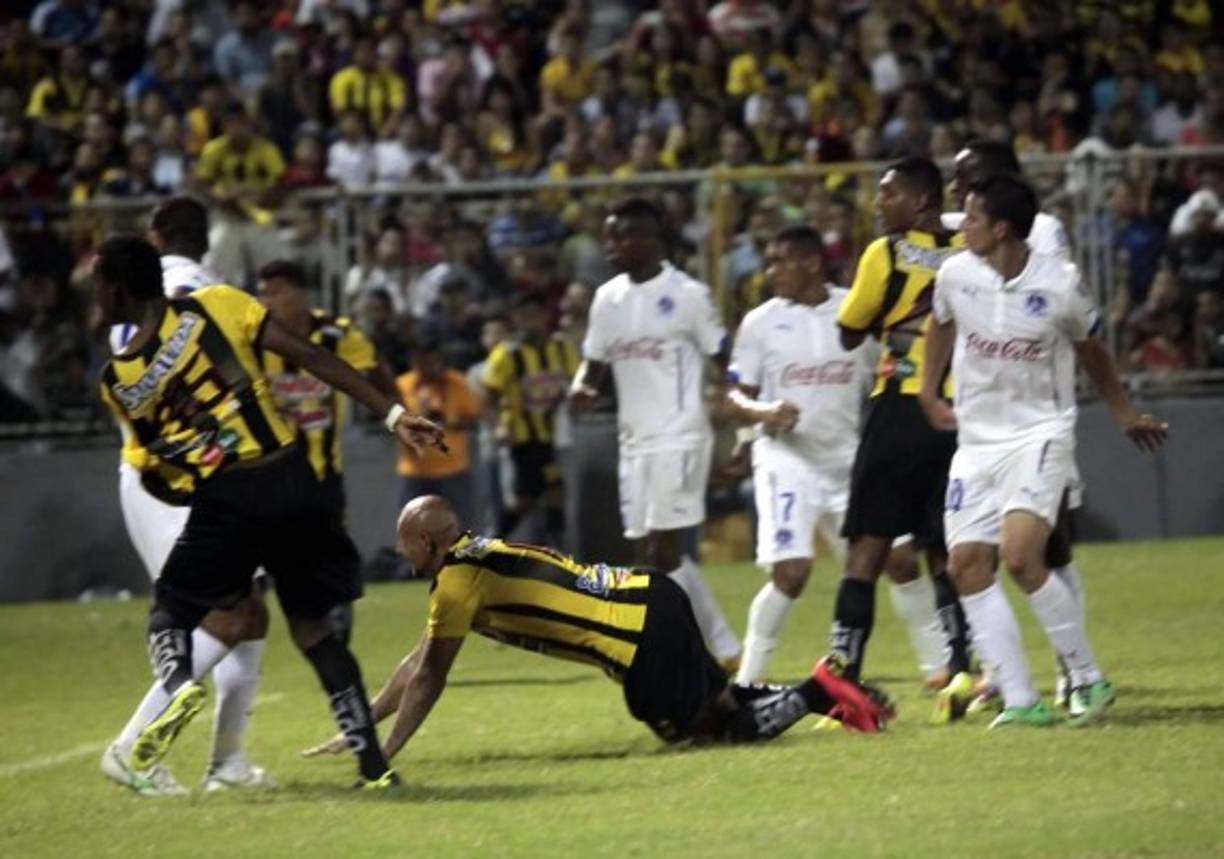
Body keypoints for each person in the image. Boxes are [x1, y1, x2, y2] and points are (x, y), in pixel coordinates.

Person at [92, 235, 443, 791]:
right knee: (315, 631)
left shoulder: (119, 382)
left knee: (171, 609)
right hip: (294, 479)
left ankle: (178, 684)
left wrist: (201, 494)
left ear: (115, 291)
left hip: (228, 496)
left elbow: (160, 467)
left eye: (97, 287)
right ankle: (373, 766)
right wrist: (393, 414)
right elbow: (309, 356)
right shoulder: (218, 304)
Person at [301, 496, 893, 764]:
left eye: (406, 541)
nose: (401, 551)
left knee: (709, 735)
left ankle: (817, 689)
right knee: (715, 701)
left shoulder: (456, 583)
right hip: (651, 595)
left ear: (427, 542)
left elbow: (430, 675)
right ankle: (837, 697)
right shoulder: (477, 554)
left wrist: (384, 753)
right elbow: (418, 661)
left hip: (635, 639)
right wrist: (361, 729)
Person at [919, 173, 1168, 729]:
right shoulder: (956, 274)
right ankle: (1020, 699)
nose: (963, 227)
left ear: (1002, 229)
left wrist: (1124, 412)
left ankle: (1088, 676)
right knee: (965, 566)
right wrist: (928, 390)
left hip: (1039, 434)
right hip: (975, 442)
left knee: (1019, 557)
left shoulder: (1060, 284)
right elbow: (940, 324)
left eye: (972, 218)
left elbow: (1092, 350)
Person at [101, 197, 273, 796]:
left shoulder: (145, 290)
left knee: (251, 613)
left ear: (157, 234)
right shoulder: (199, 290)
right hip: (180, 478)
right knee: (227, 614)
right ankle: (133, 747)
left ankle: (228, 761)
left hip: (175, 470)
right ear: (206, 237)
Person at [944, 138, 1093, 714]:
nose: (957, 190)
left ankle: (1074, 673)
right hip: (979, 427)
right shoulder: (962, 247)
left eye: (967, 178)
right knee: (970, 558)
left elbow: (1071, 321)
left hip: (1039, 422)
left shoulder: (1045, 237)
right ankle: (1009, 683)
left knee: (1041, 549)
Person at [568, 197, 742, 670]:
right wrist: (582, 387)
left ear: (649, 239)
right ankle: (721, 647)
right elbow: (594, 361)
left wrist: (740, 425)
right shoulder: (607, 299)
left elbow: (726, 359)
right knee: (652, 554)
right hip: (634, 441)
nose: (610, 244)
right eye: (608, 235)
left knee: (662, 551)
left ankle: (706, 650)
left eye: (619, 235)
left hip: (680, 435)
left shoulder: (688, 295)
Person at [823, 158, 968, 700]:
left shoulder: (884, 253)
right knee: (945, 549)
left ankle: (844, 676)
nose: (878, 204)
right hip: (958, 414)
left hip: (900, 410)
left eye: (888, 194)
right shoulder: (969, 252)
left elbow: (848, 331)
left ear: (921, 200)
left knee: (867, 549)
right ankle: (962, 670)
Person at [724, 224, 888, 685]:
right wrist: (764, 411)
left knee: (894, 562)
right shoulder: (760, 322)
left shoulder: (855, 311)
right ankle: (747, 682)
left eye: (780, 262)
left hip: (848, 459)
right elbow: (734, 396)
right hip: (786, 460)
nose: (771, 272)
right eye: (769, 262)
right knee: (792, 572)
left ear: (812, 263)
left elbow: (887, 375)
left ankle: (941, 670)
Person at [257, 259, 397, 642]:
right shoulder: (253, 335)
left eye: (277, 292)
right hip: (265, 475)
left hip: (322, 473)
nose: (267, 301)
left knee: (331, 563)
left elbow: (375, 369)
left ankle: (336, 627)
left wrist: (395, 411)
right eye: (263, 293)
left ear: (302, 294)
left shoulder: (338, 334)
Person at [483, 293, 578, 544]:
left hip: (555, 437)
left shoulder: (562, 348)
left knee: (556, 491)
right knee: (524, 499)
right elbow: (488, 397)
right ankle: (492, 542)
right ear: (516, 320)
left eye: (534, 315)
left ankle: (558, 549)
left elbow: (576, 381)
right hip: (522, 439)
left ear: (545, 317)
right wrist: (499, 427)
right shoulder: (507, 353)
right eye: (523, 316)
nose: (530, 322)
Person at [395, 339, 482, 530]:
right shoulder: (402, 386)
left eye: (434, 362)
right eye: (424, 363)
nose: (430, 368)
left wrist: (449, 421)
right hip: (415, 471)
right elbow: (391, 423)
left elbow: (473, 418)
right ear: (415, 362)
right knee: (413, 530)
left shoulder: (458, 383)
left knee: (461, 529)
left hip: (454, 470)